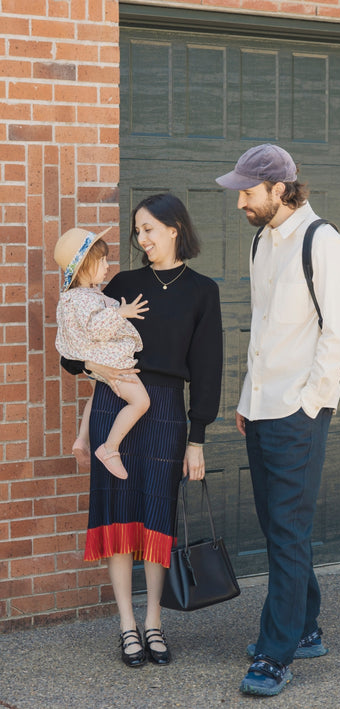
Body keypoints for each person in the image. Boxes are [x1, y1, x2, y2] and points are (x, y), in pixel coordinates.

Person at [216, 144, 340, 697]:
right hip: (262, 408)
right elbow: (266, 329)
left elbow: (339, 332)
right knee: (281, 528)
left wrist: (311, 401)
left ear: (280, 189)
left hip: (299, 411)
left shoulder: (322, 241)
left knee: (290, 529)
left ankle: (276, 654)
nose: (240, 203)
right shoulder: (261, 242)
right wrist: (248, 398)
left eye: (248, 193)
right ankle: (306, 628)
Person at [60, 194, 223, 667]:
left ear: (175, 228)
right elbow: (71, 353)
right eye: (137, 231)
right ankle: (127, 626)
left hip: (167, 410)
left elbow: (207, 370)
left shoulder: (202, 291)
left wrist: (198, 439)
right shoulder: (121, 284)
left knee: (155, 519)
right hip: (117, 401)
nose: (141, 239)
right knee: (118, 518)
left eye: (149, 229)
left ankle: (154, 622)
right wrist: (96, 375)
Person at [54, 227, 150, 480]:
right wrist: (121, 312)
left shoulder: (74, 297)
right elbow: (96, 328)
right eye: (101, 260)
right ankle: (109, 448)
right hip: (113, 363)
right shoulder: (86, 299)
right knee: (141, 402)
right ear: (84, 266)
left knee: (96, 395)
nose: (107, 265)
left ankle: (82, 439)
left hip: (96, 362)